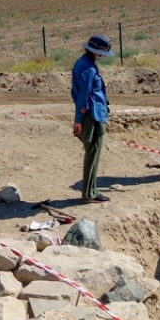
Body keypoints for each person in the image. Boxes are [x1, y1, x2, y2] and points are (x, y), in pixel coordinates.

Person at [70, 34, 113, 203]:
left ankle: (91, 189)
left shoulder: (84, 63)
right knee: (93, 153)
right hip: (92, 115)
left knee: (93, 152)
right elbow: (83, 96)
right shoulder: (88, 69)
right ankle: (89, 193)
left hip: (95, 113)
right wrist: (79, 120)